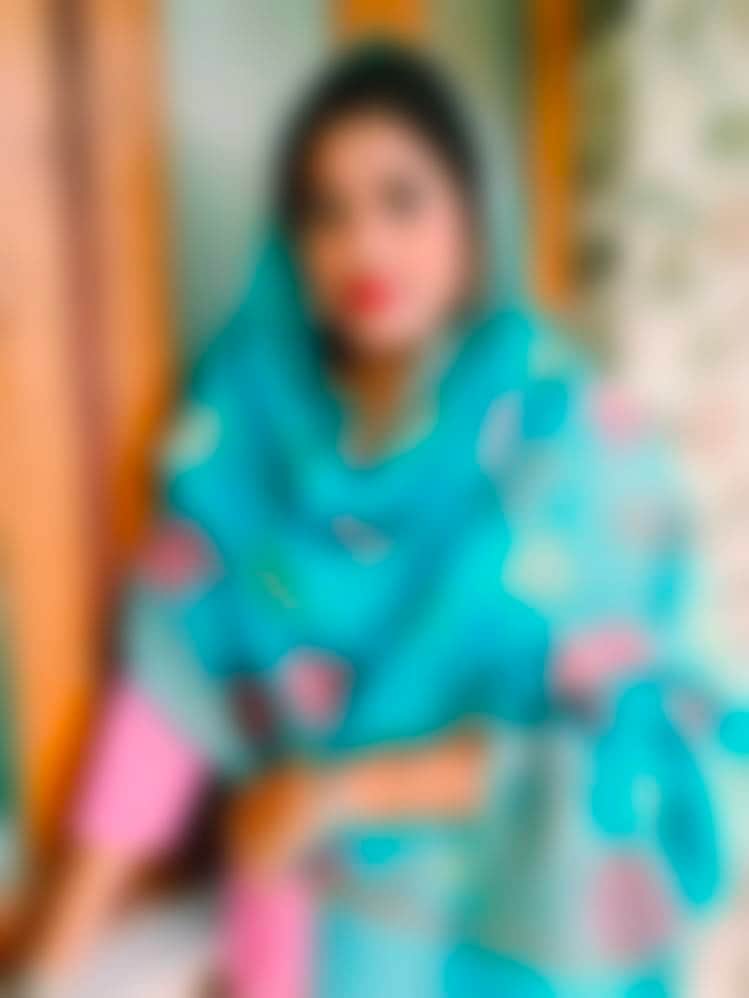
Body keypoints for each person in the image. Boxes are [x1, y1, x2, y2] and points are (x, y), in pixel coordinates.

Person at [28, 43, 748, 997]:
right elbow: (166, 700)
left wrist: (340, 791)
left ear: (474, 216)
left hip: (501, 948)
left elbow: (651, 743)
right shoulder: (242, 433)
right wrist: (45, 968)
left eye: (401, 200)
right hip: (298, 944)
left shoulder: (564, 439)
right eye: (326, 211)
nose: (363, 245)